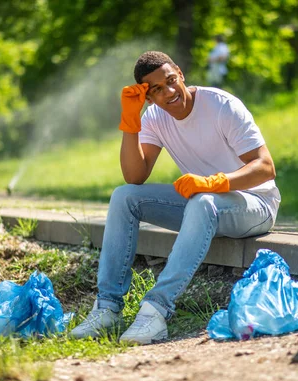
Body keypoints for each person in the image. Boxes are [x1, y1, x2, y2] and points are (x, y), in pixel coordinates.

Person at [70, 51, 280, 345]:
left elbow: (266, 168)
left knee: (203, 200)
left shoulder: (220, 105)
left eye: (170, 81)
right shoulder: (154, 117)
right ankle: (108, 308)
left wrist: (213, 182)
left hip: (254, 204)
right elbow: (135, 176)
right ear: (148, 97)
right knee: (124, 197)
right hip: (203, 206)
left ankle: (156, 311)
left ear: (180, 73)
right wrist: (130, 122)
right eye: (156, 89)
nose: (168, 92)